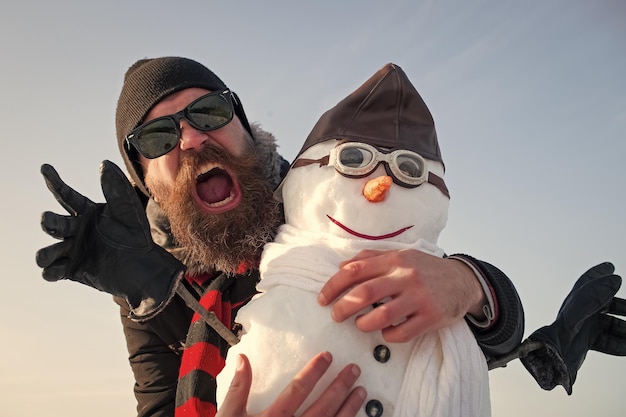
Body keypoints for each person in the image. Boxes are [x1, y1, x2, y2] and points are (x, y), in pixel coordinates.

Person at [36, 56, 524, 417]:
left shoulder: (323, 197)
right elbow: (160, 406)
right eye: (157, 138)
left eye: (207, 113)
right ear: (147, 184)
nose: (191, 139)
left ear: (243, 126)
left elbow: (492, 335)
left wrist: (466, 283)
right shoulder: (150, 287)